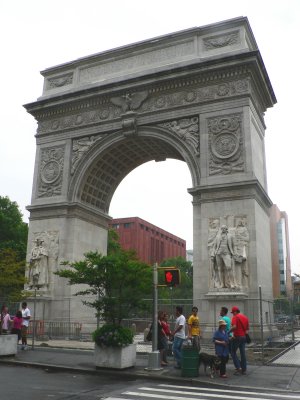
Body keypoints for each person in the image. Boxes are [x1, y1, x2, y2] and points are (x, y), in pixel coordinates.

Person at [229, 306, 249, 375]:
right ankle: (244, 370)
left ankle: (238, 367)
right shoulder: (245, 318)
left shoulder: (235, 317)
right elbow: (247, 330)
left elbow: (234, 327)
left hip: (237, 337)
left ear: (235, 312)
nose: (232, 314)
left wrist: (228, 332)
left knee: (233, 352)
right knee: (243, 354)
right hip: (243, 337)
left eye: (232, 313)